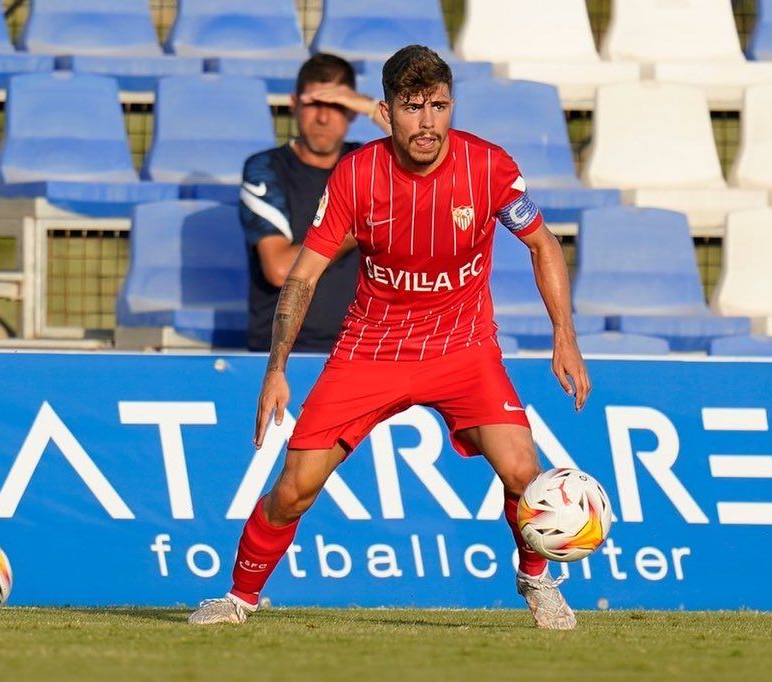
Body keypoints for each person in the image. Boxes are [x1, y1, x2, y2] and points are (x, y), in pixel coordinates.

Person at [191, 45, 591, 629]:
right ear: (388, 110)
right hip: (371, 349)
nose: (427, 122)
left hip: (462, 347)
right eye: (412, 107)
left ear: (452, 106)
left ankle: (536, 577)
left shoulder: (490, 168)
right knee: (295, 488)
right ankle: (238, 599)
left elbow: (543, 242)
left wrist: (565, 336)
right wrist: (276, 369)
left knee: (524, 471)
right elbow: (301, 275)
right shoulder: (356, 176)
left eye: (439, 106)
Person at [241, 53, 391, 352]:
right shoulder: (264, 168)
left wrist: (371, 107)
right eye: (313, 104)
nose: (323, 118)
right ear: (294, 105)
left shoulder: (368, 164)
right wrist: (358, 226)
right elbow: (280, 270)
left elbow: (435, 154)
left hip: (361, 350)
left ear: (352, 113)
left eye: (337, 105)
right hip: (283, 353)